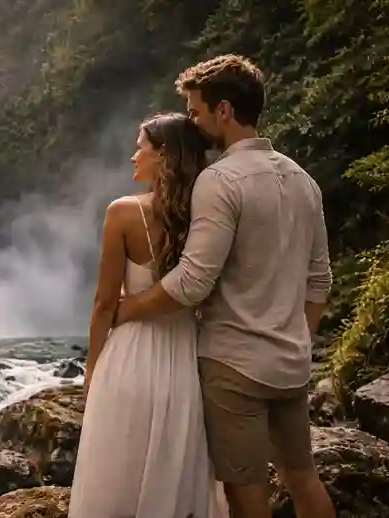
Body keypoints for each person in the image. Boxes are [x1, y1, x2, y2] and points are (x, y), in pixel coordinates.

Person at [113, 54, 336, 518]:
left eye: (195, 111)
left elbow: (193, 280)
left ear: (225, 111)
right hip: (290, 362)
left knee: (245, 495)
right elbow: (320, 282)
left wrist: (127, 309)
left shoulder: (219, 181)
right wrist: (299, 338)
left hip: (234, 367)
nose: (192, 124)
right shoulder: (304, 181)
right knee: (304, 482)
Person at [68, 112, 229, 518]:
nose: (133, 156)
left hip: (129, 356)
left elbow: (104, 302)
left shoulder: (122, 212)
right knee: (172, 467)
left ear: (163, 155)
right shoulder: (205, 216)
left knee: (118, 470)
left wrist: (91, 367)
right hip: (184, 357)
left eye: (140, 147)